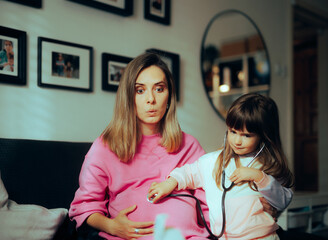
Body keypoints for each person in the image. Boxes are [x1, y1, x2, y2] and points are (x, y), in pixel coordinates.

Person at [69, 53, 289, 240]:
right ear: (129, 96)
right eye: (140, 90)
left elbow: (215, 200)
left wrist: (258, 207)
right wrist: (112, 226)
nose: (151, 100)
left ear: (169, 95)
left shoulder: (189, 145)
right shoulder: (105, 146)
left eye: (159, 88)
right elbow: (84, 206)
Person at [148, 93, 295, 240]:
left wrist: (259, 177)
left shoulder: (268, 166)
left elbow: (283, 201)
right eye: (233, 132)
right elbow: (188, 172)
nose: (237, 141)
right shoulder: (213, 161)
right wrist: (169, 183)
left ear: (263, 136)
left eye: (246, 135)